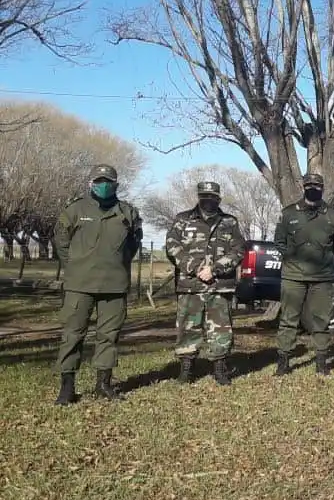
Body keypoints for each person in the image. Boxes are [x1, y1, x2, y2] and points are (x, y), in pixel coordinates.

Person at [52, 164, 143, 404]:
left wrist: (117, 264)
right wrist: (75, 265)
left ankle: (104, 383)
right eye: (99, 180)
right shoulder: (75, 209)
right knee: (72, 335)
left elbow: (134, 244)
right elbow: (60, 240)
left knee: (109, 336)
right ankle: (67, 387)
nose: (103, 185)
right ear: (91, 182)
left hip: (114, 285)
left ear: (116, 184)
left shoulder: (128, 212)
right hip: (79, 284)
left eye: (108, 181)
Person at [164, 180, 246, 386]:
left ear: (219, 198)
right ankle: (186, 369)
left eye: (212, 197)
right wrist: (196, 268)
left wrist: (215, 268)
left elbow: (238, 250)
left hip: (220, 285)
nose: (208, 200)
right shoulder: (182, 220)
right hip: (190, 285)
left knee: (221, 329)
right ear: (199, 197)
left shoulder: (230, 222)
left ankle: (220, 369)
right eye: (204, 196)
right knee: (187, 328)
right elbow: (172, 247)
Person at [273, 173, 334, 376]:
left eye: (317, 185)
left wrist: (327, 259)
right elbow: (279, 241)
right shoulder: (289, 213)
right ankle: (284, 362)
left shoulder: (332, 215)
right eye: (309, 185)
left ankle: (321, 362)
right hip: (293, 276)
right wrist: (291, 257)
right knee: (289, 319)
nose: (313, 188)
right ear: (304, 187)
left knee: (321, 320)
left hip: (321, 277)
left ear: (322, 188)